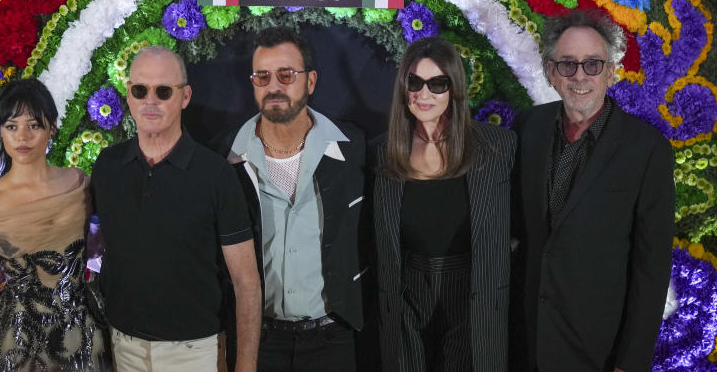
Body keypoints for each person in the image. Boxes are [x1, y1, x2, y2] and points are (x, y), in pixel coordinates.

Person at [511, 9, 675, 372]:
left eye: (592, 65)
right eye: (567, 65)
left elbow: (652, 267)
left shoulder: (647, 150)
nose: (579, 76)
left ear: (611, 73)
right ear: (551, 73)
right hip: (527, 342)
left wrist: (629, 362)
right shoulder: (528, 127)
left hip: (599, 351)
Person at [91, 46, 260, 372]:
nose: (150, 101)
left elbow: (246, 282)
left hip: (194, 351)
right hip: (122, 347)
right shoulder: (108, 166)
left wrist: (246, 365)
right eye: (140, 90)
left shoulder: (216, 174)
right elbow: (90, 252)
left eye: (163, 91)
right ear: (128, 96)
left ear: (185, 97)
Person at [214, 27, 367, 372]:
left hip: (333, 339)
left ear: (310, 81)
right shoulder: (225, 157)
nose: (274, 87)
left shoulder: (353, 148)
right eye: (262, 76)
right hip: (256, 341)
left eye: (286, 75)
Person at [372, 37, 516, 372]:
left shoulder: (498, 148)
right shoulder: (381, 153)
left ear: (454, 88)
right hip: (406, 298)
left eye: (437, 84)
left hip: (472, 294)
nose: (424, 95)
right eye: (415, 82)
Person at [0, 78, 110, 372]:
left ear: (52, 128)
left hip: (82, 336)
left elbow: (98, 254)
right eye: (12, 126)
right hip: (17, 343)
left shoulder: (79, 184)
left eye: (33, 125)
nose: (22, 136)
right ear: (1, 131)